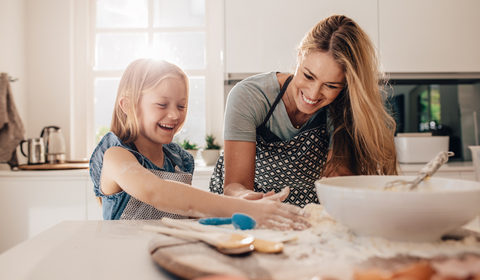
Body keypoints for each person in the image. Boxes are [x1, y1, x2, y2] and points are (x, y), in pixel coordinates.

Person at [89, 58, 309, 230]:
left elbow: (185, 211)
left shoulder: (179, 160)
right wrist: (245, 208)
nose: (174, 114)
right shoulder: (115, 156)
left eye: (181, 106)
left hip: (167, 257)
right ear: (127, 105)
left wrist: (244, 203)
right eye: (162, 104)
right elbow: (156, 192)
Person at [209, 15, 398, 207]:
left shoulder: (342, 108)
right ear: (300, 55)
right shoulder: (250, 96)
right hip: (242, 207)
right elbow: (235, 185)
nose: (313, 94)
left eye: (331, 86)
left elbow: (337, 179)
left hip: (308, 208)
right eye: (308, 76)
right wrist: (251, 201)